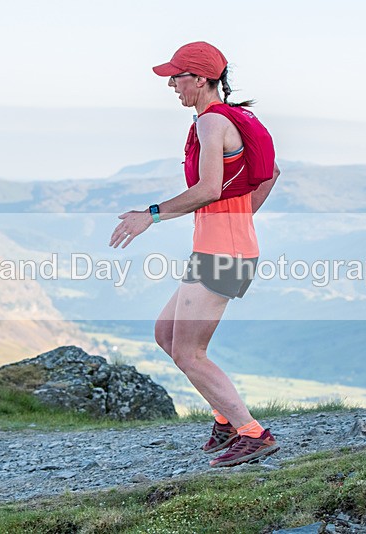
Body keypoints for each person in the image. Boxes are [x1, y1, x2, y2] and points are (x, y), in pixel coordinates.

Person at [109, 41, 281, 468]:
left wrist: (150, 215)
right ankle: (225, 421)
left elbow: (207, 189)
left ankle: (252, 433)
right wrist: (239, 217)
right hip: (222, 245)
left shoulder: (211, 123)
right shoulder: (232, 118)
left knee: (188, 352)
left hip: (222, 252)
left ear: (201, 79)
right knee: (166, 334)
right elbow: (271, 173)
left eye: (178, 76)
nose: (171, 84)